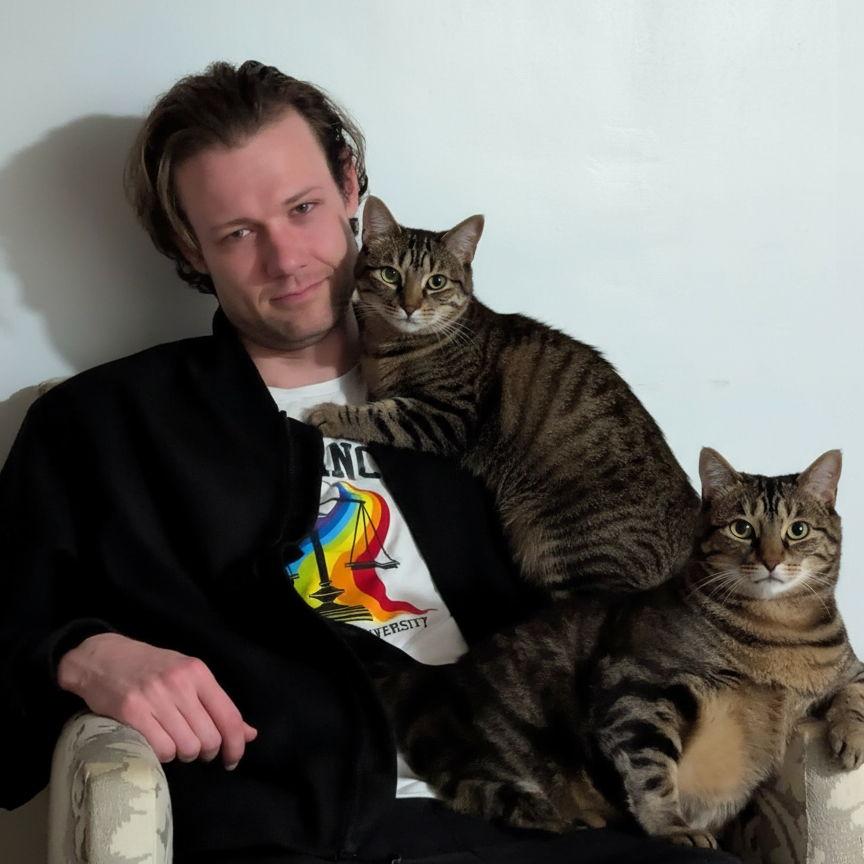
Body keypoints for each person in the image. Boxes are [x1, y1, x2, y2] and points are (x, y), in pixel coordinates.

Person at [0, 60, 741, 864]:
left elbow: (677, 589)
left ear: (351, 186)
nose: (287, 260)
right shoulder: (105, 426)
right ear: (188, 242)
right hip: (306, 835)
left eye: (303, 208)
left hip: (554, 818)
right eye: (239, 233)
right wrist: (82, 653)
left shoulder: (509, 388)